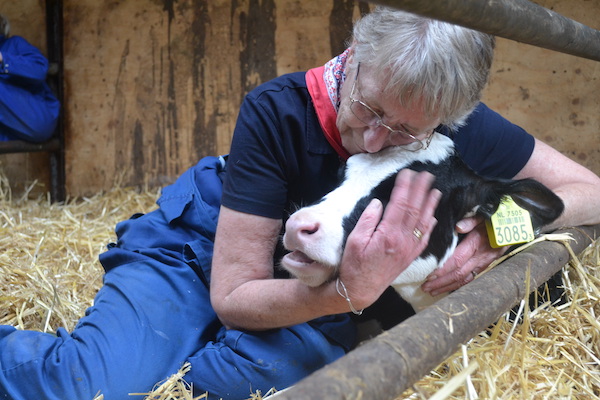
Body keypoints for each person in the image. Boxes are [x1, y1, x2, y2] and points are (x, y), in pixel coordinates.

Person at [1, 7, 600, 400]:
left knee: (229, 388)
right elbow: (234, 297)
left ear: (448, 119)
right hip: (207, 247)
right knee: (89, 385)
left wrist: (496, 230)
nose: (374, 139)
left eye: (407, 133)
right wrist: (351, 293)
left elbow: (589, 191)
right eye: (369, 109)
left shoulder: (453, 123)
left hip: (321, 287)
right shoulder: (277, 109)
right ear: (354, 54)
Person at [0, 14, 60, 142]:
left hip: (37, 117)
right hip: (10, 129)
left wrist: (3, 59)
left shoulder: (14, 43)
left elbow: (39, 69)